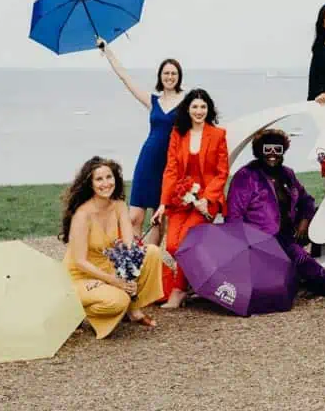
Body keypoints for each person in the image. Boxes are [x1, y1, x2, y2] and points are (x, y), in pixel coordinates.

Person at [227, 129, 325, 298]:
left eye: (278, 149)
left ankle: (308, 276)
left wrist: (304, 221)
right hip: (260, 238)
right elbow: (233, 215)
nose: (272, 154)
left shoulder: (287, 174)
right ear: (259, 151)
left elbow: (307, 201)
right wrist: (244, 245)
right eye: (268, 149)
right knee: (297, 255)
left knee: (304, 234)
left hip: (290, 231)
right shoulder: (246, 176)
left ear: (283, 151)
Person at [95, 38, 184, 246]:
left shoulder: (186, 103)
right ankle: (132, 257)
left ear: (178, 77)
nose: (169, 77)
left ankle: (149, 263)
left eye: (173, 73)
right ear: (160, 77)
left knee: (159, 219)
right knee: (134, 216)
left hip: (170, 164)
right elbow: (126, 78)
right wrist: (107, 51)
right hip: (148, 160)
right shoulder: (153, 101)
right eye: (166, 73)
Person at [60, 156, 162, 338]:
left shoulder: (119, 206)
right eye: (99, 179)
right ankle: (80, 310)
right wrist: (114, 281)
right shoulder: (82, 215)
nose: (106, 183)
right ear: (90, 184)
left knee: (152, 252)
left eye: (109, 177)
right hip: (81, 275)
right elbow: (80, 261)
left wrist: (129, 275)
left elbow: (129, 247)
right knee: (118, 300)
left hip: (109, 267)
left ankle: (134, 309)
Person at [152, 88, 229, 308]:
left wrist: (207, 199)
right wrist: (163, 203)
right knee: (173, 245)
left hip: (206, 202)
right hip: (180, 198)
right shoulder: (178, 133)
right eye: (194, 106)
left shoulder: (218, 134)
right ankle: (198, 278)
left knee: (185, 243)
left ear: (209, 109)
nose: (199, 111)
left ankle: (178, 291)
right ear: (187, 109)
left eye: (203, 106)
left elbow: (221, 172)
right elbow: (171, 170)